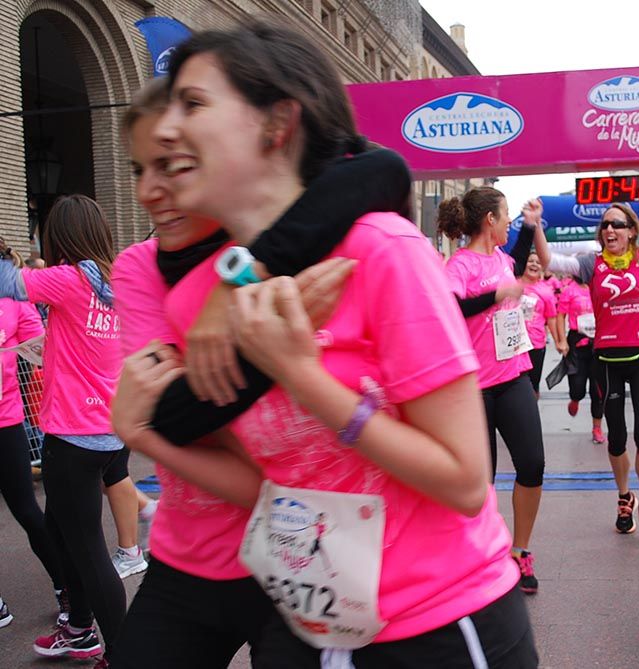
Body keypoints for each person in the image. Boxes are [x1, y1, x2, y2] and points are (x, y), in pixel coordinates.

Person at [117, 20, 537, 667]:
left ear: (277, 125)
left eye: (193, 105)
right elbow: (264, 477)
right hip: (312, 622)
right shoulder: (195, 298)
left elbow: (464, 480)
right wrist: (143, 431)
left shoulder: (381, 249)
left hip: (439, 621)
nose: (167, 127)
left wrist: (303, 377)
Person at [0, 195, 125, 667]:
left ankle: (118, 651)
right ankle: (78, 629)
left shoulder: (71, 279)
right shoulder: (115, 283)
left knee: (89, 549)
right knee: (62, 531)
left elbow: (7, 279)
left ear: (60, 238)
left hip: (73, 438)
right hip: (107, 433)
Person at [440, 187, 549, 593]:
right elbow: (449, 309)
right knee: (481, 481)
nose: (507, 223)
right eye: (505, 216)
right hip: (474, 390)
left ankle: (520, 553)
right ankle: (482, 557)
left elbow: (518, 256)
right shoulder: (459, 265)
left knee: (533, 465)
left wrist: (530, 223)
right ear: (489, 220)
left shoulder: (504, 259)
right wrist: (495, 296)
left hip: (513, 377)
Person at [546, 203, 639, 544]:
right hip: (607, 357)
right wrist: (534, 227)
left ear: (632, 230)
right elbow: (552, 261)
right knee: (616, 437)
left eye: (617, 224)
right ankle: (624, 498)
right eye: (604, 226)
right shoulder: (590, 263)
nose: (609, 230)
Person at [0, 238, 67, 626]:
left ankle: (65, 588)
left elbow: (38, 342)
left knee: (26, 509)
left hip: (6, 418)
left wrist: (11, 352)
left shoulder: (13, 297)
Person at [557, 275, 605, 443]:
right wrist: (561, 340)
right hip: (577, 342)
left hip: (598, 342)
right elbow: (560, 316)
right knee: (578, 386)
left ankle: (597, 428)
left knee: (597, 390)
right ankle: (575, 399)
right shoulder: (569, 291)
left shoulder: (599, 287)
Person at [520, 252, 564, 397]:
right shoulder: (513, 284)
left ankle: (531, 414)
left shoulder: (545, 291)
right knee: (515, 383)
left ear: (543, 268)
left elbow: (551, 318)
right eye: (530, 261)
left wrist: (558, 341)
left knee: (533, 384)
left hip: (535, 343)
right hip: (514, 343)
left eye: (538, 263)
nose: (534, 264)